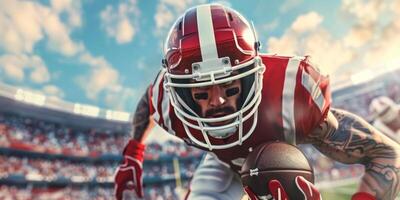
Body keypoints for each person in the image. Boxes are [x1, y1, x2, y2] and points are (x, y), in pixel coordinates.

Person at [114, 4, 400, 200]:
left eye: (230, 86)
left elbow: (388, 155)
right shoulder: (167, 98)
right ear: (181, 93)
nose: (218, 101)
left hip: (280, 158)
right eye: (201, 94)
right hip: (221, 164)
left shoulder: (290, 93)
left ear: (253, 77)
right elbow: (147, 103)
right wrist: (133, 153)